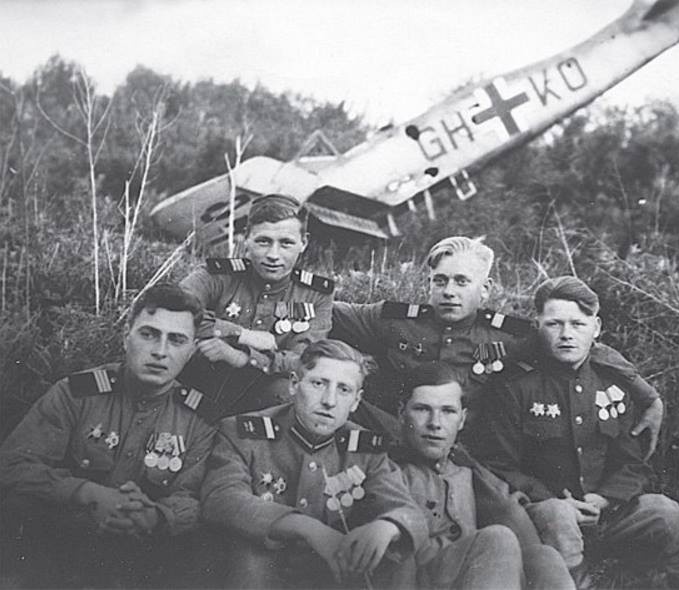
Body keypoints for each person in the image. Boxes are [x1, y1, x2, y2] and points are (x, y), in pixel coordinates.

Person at [466, 276, 679, 588]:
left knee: (674, 518)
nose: (566, 334)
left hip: (606, 511)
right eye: (554, 324)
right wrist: (554, 500)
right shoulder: (514, 387)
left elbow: (632, 464)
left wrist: (603, 499)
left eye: (578, 324)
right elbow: (498, 465)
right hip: (545, 513)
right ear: (538, 326)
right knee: (558, 518)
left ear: (596, 328)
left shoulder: (613, 384)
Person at [332, 235, 664, 456]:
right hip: (393, 446)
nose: (449, 291)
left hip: (466, 456)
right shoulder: (393, 320)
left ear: (486, 289)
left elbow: (581, 347)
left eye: (462, 282)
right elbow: (328, 309)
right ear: (429, 284)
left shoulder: (510, 336)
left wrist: (649, 397)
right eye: (440, 281)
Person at [0, 284, 217, 588]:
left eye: (176, 340)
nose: (160, 351)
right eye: (149, 334)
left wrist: (155, 516)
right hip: (61, 537)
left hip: (140, 552)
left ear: (192, 350)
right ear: (126, 336)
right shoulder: (77, 393)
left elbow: (194, 498)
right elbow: (13, 465)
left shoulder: (200, 419)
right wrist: (87, 493)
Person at [200, 339, 428, 588]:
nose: (329, 401)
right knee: (248, 555)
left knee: (396, 557)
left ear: (356, 401)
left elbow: (410, 513)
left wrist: (388, 526)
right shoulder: (243, 432)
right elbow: (221, 498)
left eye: (344, 390)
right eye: (319, 384)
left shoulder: (365, 449)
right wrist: (307, 528)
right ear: (294, 384)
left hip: (330, 576)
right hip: (264, 573)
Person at [391, 362, 574, 589]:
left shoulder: (467, 471)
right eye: (422, 409)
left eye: (448, 411)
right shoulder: (387, 470)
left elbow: (507, 509)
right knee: (497, 539)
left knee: (544, 557)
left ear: (462, 419)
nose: (435, 423)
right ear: (401, 413)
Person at [179, 193, 335, 421]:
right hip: (202, 380)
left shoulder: (316, 294)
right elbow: (173, 308)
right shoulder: (217, 275)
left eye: (286, 243)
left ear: (304, 243)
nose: (273, 255)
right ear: (246, 239)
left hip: (262, 396)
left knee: (291, 392)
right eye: (263, 241)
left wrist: (244, 357)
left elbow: (305, 362)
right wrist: (241, 334)